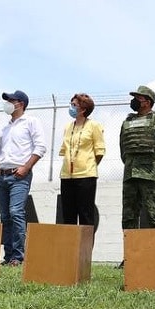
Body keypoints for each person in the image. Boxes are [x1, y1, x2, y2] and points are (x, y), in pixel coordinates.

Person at [0, 90, 46, 266]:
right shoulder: (6, 127)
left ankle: (18, 257)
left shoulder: (31, 122)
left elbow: (41, 147)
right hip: (2, 175)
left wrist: (26, 167)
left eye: (10, 100)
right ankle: (8, 257)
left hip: (19, 175)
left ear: (20, 103)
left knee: (16, 213)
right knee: (5, 216)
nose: (7, 103)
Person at [119, 85, 155, 231]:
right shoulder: (126, 122)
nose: (134, 101)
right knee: (128, 219)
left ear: (147, 101)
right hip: (130, 175)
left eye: (137, 98)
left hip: (152, 174)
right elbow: (123, 149)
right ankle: (131, 253)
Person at [58, 93, 105, 240]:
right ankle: (69, 253)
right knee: (68, 215)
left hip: (86, 176)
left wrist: (89, 165)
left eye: (74, 105)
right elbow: (64, 150)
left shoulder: (94, 125)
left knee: (85, 215)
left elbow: (100, 151)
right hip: (66, 176)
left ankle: (85, 255)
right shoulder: (68, 127)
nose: (70, 107)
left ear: (83, 109)